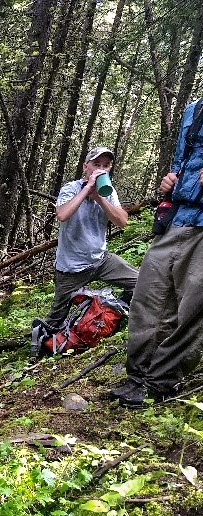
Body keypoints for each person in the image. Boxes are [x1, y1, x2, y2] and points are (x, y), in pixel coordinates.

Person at [115, 99, 203, 407]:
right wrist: (170, 181)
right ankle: (137, 377)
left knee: (191, 308)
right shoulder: (194, 109)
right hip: (178, 217)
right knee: (149, 296)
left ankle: (161, 382)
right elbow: (182, 159)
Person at [45, 146, 137, 330]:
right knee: (55, 319)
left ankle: (109, 316)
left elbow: (122, 221)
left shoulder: (108, 191)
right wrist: (87, 189)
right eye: (96, 164)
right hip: (71, 268)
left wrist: (99, 198)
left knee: (140, 283)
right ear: (85, 167)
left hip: (101, 260)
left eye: (106, 165)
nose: (101, 169)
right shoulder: (71, 188)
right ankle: (43, 346)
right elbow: (62, 215)